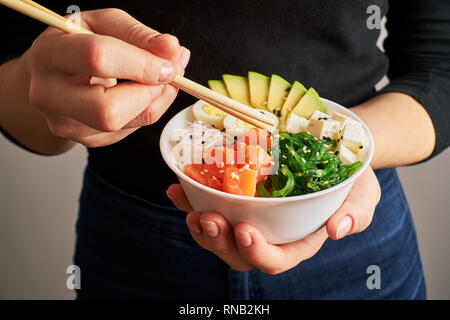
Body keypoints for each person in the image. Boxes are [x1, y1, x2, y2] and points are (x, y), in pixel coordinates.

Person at [0, 0, 449, 299]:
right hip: (135, 243)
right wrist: (56, 98)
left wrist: (339, 156)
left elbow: (441, 71)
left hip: (350, 225)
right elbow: (15, 90)